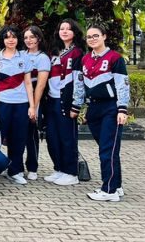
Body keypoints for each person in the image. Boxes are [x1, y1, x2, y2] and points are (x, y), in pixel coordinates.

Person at [73, 23, 130, 202]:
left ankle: (109, 190)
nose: (92, 39)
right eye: (89, 37)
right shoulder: (85, 59)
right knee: (108, 149)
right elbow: (80, 85)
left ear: (104, 36)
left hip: (111, 109)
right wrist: (77, 106)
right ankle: (117, 185)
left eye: (96, 35)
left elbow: (122, 85)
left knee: (107, 150)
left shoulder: (115, 58)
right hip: (94, 109)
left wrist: (122, 109)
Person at [0, 25, 35, 185]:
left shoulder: (24, 57)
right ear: (2, 40)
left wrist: (32, 106)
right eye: (7, 37)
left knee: (18, 138)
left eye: (13, 37)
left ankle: (15, 170)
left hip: (21, 104)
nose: (10, 40)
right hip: (0, 104)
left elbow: (28, 83)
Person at [44, 19, 85, 186]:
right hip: (51, 100)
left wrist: (76, 104)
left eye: (69, 29)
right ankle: (59, 168)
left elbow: (79, 81)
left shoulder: (77, 53)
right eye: (62, 29)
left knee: (67, 137)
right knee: (52, 137)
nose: (65, 31)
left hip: (66, 101)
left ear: (75, 32)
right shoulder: (54, 51)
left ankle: (71, 172)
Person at [23, 25, 50, 181]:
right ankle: (15, 165)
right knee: (18, 134)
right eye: (26, 37)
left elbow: (40, 85)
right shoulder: (21, 55)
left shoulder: (42, 58)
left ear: (38, 38)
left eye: (32, 37)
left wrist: (34, 106)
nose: (29, 40)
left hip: (34, 99)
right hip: (19, 98)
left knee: (31, 133)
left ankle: (32, 167)